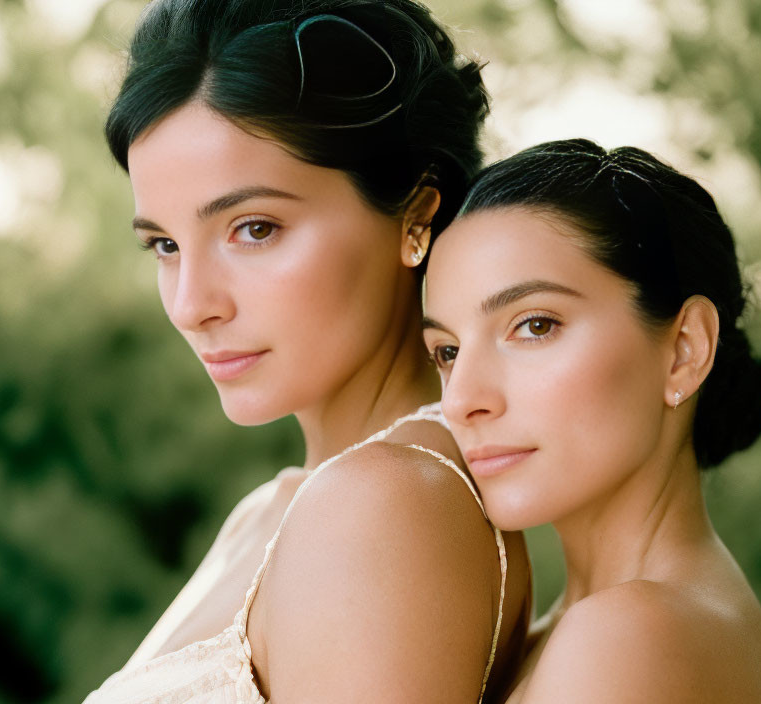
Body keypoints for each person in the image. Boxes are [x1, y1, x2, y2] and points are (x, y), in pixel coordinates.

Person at [84, 1, 531, 702]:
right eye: (165, 246)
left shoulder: (386, 503)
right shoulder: (279, 508)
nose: (191, 304)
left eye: (254, 228)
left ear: (416, 217)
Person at [421, 139, 761, 704]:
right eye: (446, 352)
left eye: (535, 325)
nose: (460, 401)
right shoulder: (609, 625)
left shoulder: (630, 633)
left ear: (685, 349)